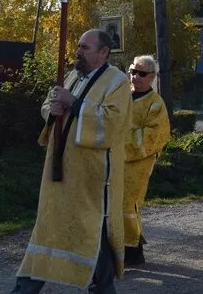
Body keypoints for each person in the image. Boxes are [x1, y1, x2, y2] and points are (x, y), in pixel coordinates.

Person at [11, 29, 131, 294]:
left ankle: (102, 288)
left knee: (92, 231)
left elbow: (112, 124)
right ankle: (24, 289)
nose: (78, 51)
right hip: (59, 172)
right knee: (48, 227)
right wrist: (50, 110)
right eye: (78, 46)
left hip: (92, 178)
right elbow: (51, 104)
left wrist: (74, 103)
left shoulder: (118, 82)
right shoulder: (73, 75)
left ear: (103, 52)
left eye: (85, 47)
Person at [123, 55, 171, 267]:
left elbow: (154, 136)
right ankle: (118, 246)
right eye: (133, 71)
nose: (136, 76)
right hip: (113, 158)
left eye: (142, 73)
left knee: (128, 202)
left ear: (152, 77)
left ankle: (132, 251)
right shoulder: (121, 95)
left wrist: (119, 141)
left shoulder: (155, 104)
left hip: (139, 161)